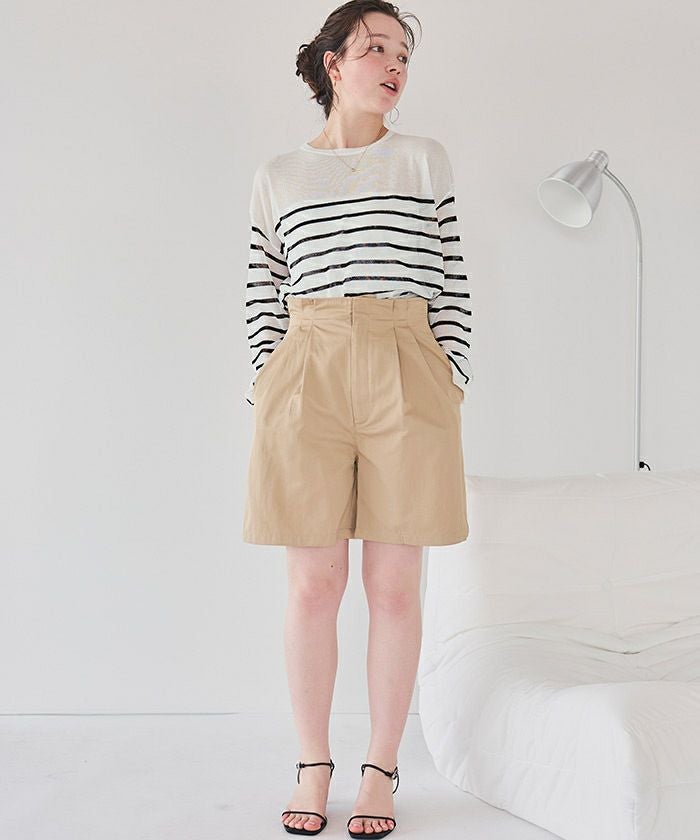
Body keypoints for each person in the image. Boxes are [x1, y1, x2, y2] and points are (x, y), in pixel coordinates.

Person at [242, 2, 474, 836]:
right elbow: (263, 287)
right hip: (307, 364)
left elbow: (451, 279)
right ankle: (313, 763)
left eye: (403, 53)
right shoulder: (279, 174)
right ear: (334, 64)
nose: (395, 65)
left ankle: (381, 766)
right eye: (376, 48)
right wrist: (268, 381)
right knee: (314, 584)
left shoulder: (423, 159)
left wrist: (450, 377)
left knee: (394, 586)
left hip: (406, 362)